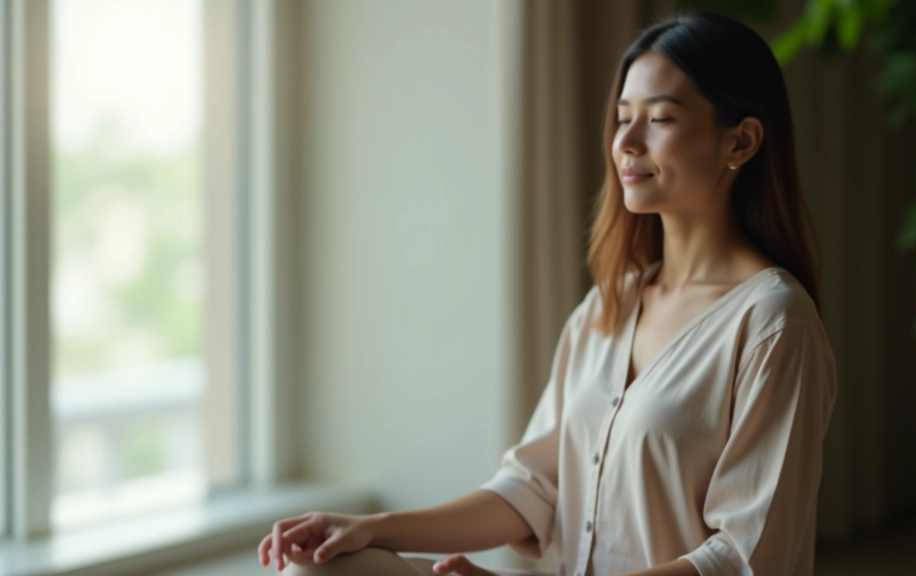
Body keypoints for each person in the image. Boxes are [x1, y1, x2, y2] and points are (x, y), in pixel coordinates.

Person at [257, 10, 837, 576]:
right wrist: (371, 527)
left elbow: (742, 559)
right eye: (621, 117)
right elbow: (532, 488)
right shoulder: (609, 306)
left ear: (741, 143)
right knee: (326, 568)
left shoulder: (775, 325)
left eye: (660, 119)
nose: (626, 142)